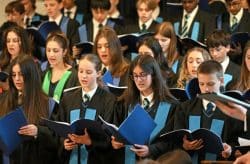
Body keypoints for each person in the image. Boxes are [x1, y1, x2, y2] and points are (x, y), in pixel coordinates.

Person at [174, 60, 244, 163]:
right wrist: (184, 145)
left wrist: (230, 149)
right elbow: (177, 137)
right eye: (201, 84)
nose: (206, 89)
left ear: (221, 81)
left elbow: (236, 141)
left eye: (210, 84)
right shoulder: (185, 108)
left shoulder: (232, 110)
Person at [112, 55, 177, 163]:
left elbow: (173, 142)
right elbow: (116, 130)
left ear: (154, 75)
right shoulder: (124, 103)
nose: (139, 80)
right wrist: (115, 141)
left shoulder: (171, 106)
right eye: (135, 76)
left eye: (143, 75)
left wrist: (150, 150)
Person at [0, 55, 59, 164]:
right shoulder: (4, 100)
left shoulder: (48, 104)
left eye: (21, 74)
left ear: (31, 75)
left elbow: (56, 139)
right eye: (14, 75)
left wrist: (38, 132)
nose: (17, 79)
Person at [59, 54, 117, 164]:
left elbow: (110, 137)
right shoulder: (68, 99)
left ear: (98, 73)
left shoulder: (109, 100)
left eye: (88, 72)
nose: (83, 76)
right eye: (81, 71)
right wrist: (64, 143)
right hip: (71, 158)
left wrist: (90, 142)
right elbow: (59, 131)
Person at [42, 31, 78, 103]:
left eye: (55, 51)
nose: (51, 54)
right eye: (48, 50)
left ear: (64, 52)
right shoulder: (44, 73)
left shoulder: (73, 75)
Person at [154, 21, 182, 87]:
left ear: (172, 40)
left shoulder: (180, 60)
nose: (159, 43)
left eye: (163, 40)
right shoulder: (151, 57)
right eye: (156, 40)